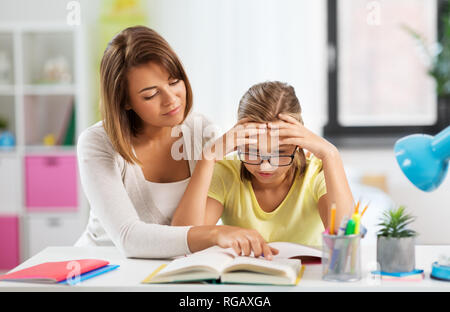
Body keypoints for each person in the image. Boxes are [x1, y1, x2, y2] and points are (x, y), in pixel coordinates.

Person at [75, 26, 278, 259]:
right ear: (125, 101)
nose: (171, 100)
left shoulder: (202, 131)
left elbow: (193, 227)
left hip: (169, 270)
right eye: (151, 95)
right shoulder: (97, 143)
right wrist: (215, 233)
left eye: (174, 82)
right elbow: (128, 238)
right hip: (103, 265)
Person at [172, 81, 355, 248]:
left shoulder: (315, 173)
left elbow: (345, 238)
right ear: (238, 141)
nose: (265, 167)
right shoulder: (226, 172)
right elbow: (182, 239)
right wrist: (207, 158)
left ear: (299, 144)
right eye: (252, 151)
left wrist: (331, 155)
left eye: (280, 153)